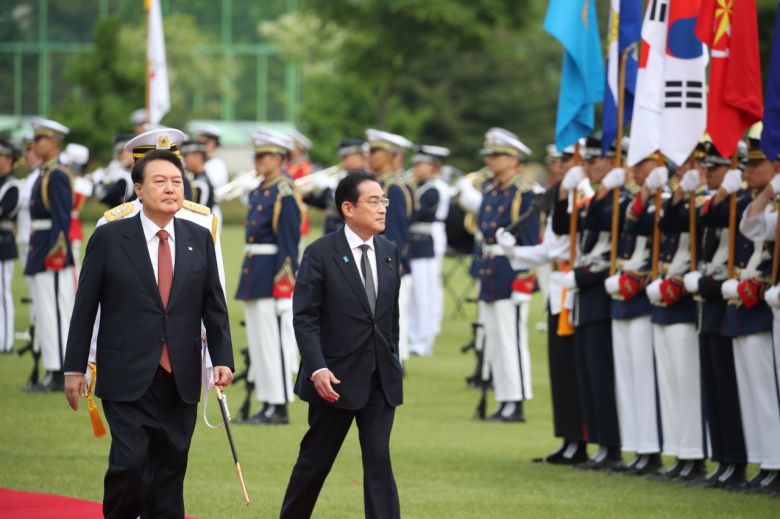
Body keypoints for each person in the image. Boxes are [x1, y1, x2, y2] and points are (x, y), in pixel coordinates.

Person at [63, 149, 234, 518]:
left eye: (177, 182)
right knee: (131, 464)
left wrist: (221, 359)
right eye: (160, 181)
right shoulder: (111, 237)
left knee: (171, 470)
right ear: (138, 189)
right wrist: (74, 367)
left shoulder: (198, 236)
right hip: (126, 371)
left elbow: (214, 305)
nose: (171, 189)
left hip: (181, 375)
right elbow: (85, 306)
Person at [281, 172, 403, 519]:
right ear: (348, 208)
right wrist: (317, 367)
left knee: (379, 460)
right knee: (315, 461)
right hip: (333, 379)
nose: (382, 209)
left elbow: (389, 318)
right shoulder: (320, 253)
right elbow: (305, 318)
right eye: (374, 201)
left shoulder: (390, 251)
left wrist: (391, 360)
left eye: (384, 201)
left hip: (379, 378)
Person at [496, 143, 590, 462]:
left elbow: (557, 249)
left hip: (572, 288)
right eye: (555, 161)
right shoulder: (560, 193)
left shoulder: (581, 194)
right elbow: (550, 247)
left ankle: (580, 441)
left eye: (565, 160)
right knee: (560, 369)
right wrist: (514, 252)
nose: (558, 166)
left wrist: (516, 253)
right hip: (556, 288)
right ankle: (568, 439)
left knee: (574, 370)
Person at [553, 135, 623, 469]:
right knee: (590, 377)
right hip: (585, 299)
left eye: (596, 160)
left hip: (603, 296)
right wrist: (564, 193)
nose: (589, 166)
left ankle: (613, 445)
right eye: (588, 160)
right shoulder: (595, 199)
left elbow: (601, 224)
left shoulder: (614, 200)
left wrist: (605, 192)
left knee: (604, 376)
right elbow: (562, 226)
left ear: (613, 162)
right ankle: (601, 444)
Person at [236, 129, 303, 425]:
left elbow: (289, 245)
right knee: (259, 345)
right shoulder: (261, 190)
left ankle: (278, 406)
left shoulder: (284, 192)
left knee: (272, 344)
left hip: (271, 278)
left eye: (263, 155)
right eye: (257, 155)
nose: (257, 160)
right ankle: (266, 402)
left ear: (278, 158)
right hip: (254, 273)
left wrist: (285, 289)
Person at [602, 151, 663, 476]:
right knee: (627, 379)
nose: (635, 169)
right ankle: (636, 447)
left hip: (643, 296)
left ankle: (651, 449)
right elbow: (628, 223)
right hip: (623, 294)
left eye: (642, 163)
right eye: (634, 163)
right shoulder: (635, 200)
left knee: (644, 378)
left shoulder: (667, 200)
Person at [475, 128, 540, 422]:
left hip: (510, 271)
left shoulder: (524, 195)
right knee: (495, 340)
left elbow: (530, 240)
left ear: (514, 160)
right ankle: (504, 399)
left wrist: (524, 281)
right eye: (490, 154)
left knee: (511, 339)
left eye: (497, 155)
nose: (490, 160)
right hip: (490, 270)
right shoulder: (490, 192)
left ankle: (517, 400)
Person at [24, 117, 76, 393]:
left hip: (51, 251)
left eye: (41, 139)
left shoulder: (57, 174)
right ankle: (52, 368)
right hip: (40, 246)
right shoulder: (45, 173)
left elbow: (61, 218)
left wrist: (57, 252)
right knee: (46, 312)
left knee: (56, 310)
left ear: (54, 143)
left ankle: (59, 372)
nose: (36, 144)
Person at [407, 144, 451, 357]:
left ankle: (423, 340)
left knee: (424, 292)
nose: (415, 167)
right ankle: (417, 336)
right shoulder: (421, 185)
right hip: (417, 240)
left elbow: (416, 212)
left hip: (427, 239)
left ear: (433, 166)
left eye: (420, 164)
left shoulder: (433, 189)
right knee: (417, 292)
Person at [302, 138, 367, 235]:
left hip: (349, 231)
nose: (343, 160)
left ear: (359, 156)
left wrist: (332, 187)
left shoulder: (365, 179)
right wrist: (307, 196)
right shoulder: (340, 177)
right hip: (330, 231)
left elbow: (351, 204)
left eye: (346, 157)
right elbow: (323, 203)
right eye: (342, 157)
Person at [0, 139, 21, 353]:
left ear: (8, 158)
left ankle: (5, 342)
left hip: (4, 244)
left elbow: (5, 209)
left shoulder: (13, 185)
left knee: (3, 294)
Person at [181, 140, 215, 211]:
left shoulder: (201, 185)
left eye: (185, 156)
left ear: (197, 156)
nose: (183, 160)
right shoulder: (195, 179)